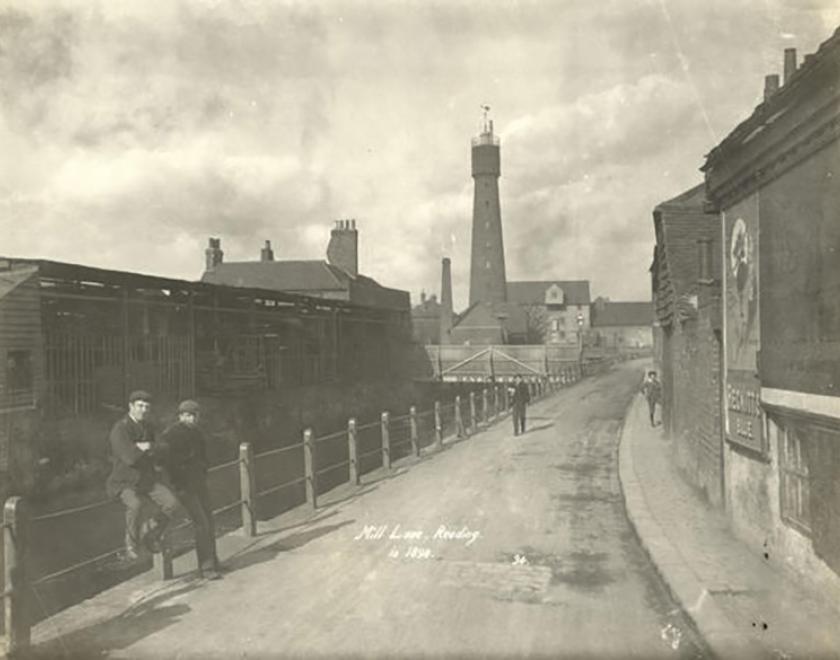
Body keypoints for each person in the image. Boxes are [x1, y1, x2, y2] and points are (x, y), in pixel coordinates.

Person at [106, 390, 179, 561]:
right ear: (131, 406)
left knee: (172, 504)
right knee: (135, 505)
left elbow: (164, 448)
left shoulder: (149, 427)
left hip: (147, 479)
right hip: (124, 481)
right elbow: (129, 458)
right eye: (139, 406)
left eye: (147, 407)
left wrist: (146, 446)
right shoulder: (120, 428)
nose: (143, 410)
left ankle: (149, 531)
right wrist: (144, 448)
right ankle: (130, 545)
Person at [158, 400, 222, 580]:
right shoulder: (171, 435)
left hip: (199, 483)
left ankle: (213, 561)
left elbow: (203, 457)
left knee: (209, 519)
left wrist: (203, 470)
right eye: (187, 415)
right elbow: (165, 461)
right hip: (183, 486)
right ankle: (206, 567)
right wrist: (177, 481)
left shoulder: (197, 433)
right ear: (180, 416)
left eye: (194, 415)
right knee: (201, 522)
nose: (191, 419)